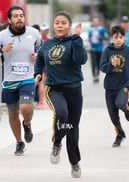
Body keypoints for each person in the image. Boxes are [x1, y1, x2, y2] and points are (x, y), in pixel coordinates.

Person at [34, 11, 87, 178]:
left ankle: (74, 163)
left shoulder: (74, 41)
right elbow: (40, 59)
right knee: (62, 114)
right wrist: (38, 73)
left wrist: (77, 38)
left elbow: (81, 59)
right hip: (54, 89)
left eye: (63, 23)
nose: (60, 26)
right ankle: (56, 143)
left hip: (74, 90)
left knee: (72, 128)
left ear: (69, 26)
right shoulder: (47, 45)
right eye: (57, 22)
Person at [0, 6, 43, 155]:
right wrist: (1, 50)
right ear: (10, 20)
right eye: (16, 16)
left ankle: (27, 124)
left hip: (27, 78)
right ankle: (19, 142)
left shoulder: (34, 33)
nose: (19, 18)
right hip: (10, 80)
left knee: (26, 107)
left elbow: (43, 50)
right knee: (12, 114)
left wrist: (37, 56)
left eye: (21, 15)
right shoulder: (1, 36)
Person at [100, 25, 129, 147]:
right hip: (110, 86)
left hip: (124, 84)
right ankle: (120, 134)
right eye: (116, 37)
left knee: (120, 103)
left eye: (121, 37)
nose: (118, 40)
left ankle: (127, 109)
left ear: (124, 38)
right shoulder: (107, 51)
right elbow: (103, 68)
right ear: (111, 38)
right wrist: (111, 64)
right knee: (113, 116)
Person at [88, 17, 108, 83]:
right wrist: (89, 39)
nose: (95, 23)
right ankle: (94, 76)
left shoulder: (102, 29)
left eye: (96, 21)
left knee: (98, 62)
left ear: (98, 22)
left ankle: (97, 75)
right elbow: (89, 36)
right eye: (94, 21)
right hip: (92, 48)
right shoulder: (90, 29)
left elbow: (106, 37)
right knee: (93, 62)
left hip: (99, 48)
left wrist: (101, 37)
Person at [36, 22, 50, 109]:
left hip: (43, 63)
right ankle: (40, 102)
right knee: (41, 83)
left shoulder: (48, 40)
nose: (45, 31)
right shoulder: (39, 40)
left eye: (46, 30)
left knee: (41, 83)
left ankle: (40, 101)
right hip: (41, 64)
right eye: (43, 30)